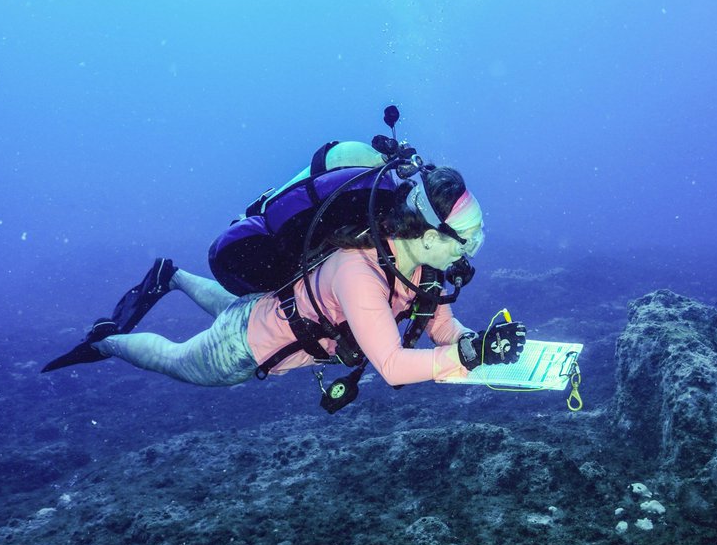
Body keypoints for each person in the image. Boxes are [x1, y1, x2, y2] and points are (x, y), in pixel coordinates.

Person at [42, 141, 527, 399]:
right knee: (174, 361)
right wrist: (469, 355)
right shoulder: (361, 275)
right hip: (248, 344)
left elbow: (438, 325)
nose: (473, 250)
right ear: (428, 235)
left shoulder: (417, 266)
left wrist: (476, 342)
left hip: (268, 304)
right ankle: (105, 340)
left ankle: (172, 276)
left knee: (235, 306)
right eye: (470, 238)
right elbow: (394, 367)